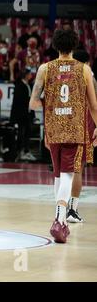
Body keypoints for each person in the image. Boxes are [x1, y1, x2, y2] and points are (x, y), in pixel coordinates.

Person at [29, 29, 97, 243]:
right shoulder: (84, 69)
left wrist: (52, 107)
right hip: (75, 129)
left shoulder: (45, 68)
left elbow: (33, 102)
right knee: (68, 174)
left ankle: (61, 220)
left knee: (59, 175)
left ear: (55, 46)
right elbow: (93, 104)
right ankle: (60, 218)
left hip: (53, 128)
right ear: (75, 45)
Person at [66, 49, 97, 223]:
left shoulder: (62, 76)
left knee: (64, 170)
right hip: (82, 126)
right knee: (78, 168)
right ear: (87, 63)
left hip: (63, 126)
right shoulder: (89, 78)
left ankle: (61, 208)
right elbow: (94, 106)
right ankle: (72, 209)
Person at [10, 67, 36, 161]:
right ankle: (19, 153)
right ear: (25, 75)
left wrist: (32, 114)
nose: (31, 75)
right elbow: (19, 102)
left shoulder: (28, 85)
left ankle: (26, 151)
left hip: (27, 114)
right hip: (21, 115)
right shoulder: (19, 85)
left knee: (27, 133)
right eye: (29, 74)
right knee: (21, 134)